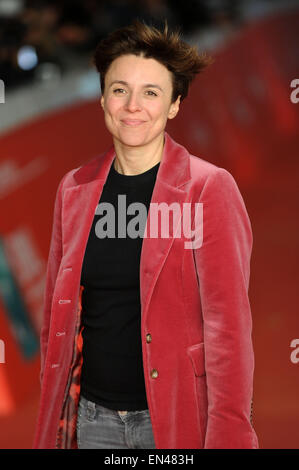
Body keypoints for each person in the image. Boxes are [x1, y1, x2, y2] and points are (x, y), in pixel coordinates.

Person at [33, 20, 259, 449]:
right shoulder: (74, 189)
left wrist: (229, 432)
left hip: (175, 416)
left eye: (151, 93)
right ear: (102, 98)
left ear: (174, 105)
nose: (132, 105)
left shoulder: (208, 189)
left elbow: (228, 328)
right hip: (91, 419)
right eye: (120, 90)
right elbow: (54, 317)